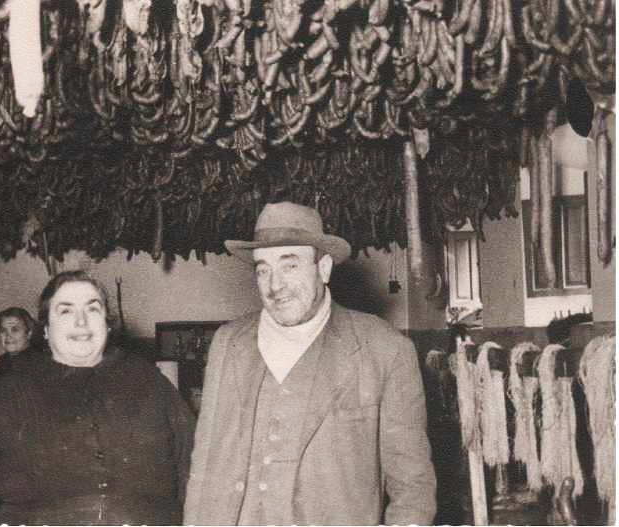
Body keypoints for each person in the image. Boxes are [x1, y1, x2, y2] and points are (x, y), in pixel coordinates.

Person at [184, 201, 436, 525]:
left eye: (289, 266)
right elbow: (204, 469)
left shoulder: (384, 350)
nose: (274, 286)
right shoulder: (228, 344)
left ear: (324, 268)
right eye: (263, 269)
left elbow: (412, 489)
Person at [0, 271, 195, 525]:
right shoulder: (8, 393)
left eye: (93, 309)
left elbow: (196, 466)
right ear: (45, 329)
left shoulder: (148, 380)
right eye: (65, 311)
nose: (81, 322)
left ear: (107, 323)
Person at [0, 306, 35, 381]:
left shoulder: (35, 364)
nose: (8, 335)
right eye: (3, 330)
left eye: (15, 330)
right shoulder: (4, 361)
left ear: (29, 333)